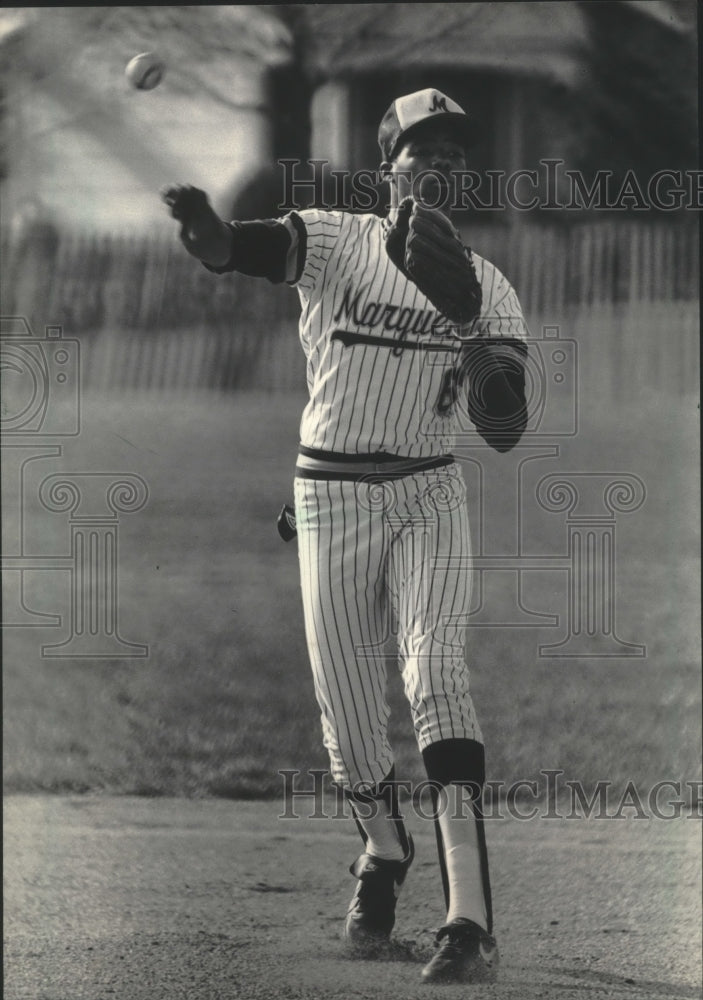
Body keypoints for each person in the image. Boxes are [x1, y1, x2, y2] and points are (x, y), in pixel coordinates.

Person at [162, 87, 528, 985]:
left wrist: (467, 320)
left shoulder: (489, 285)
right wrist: (206, 231)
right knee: (352, 731)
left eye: (454, 152)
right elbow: (236, 251)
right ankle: (383, 851)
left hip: (427, 494)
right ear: (387, 167)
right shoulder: (334, 240)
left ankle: (468, 926)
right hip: (329, 497)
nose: (441, 162)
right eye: (421, 150)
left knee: (437, 678)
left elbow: (507, 426)